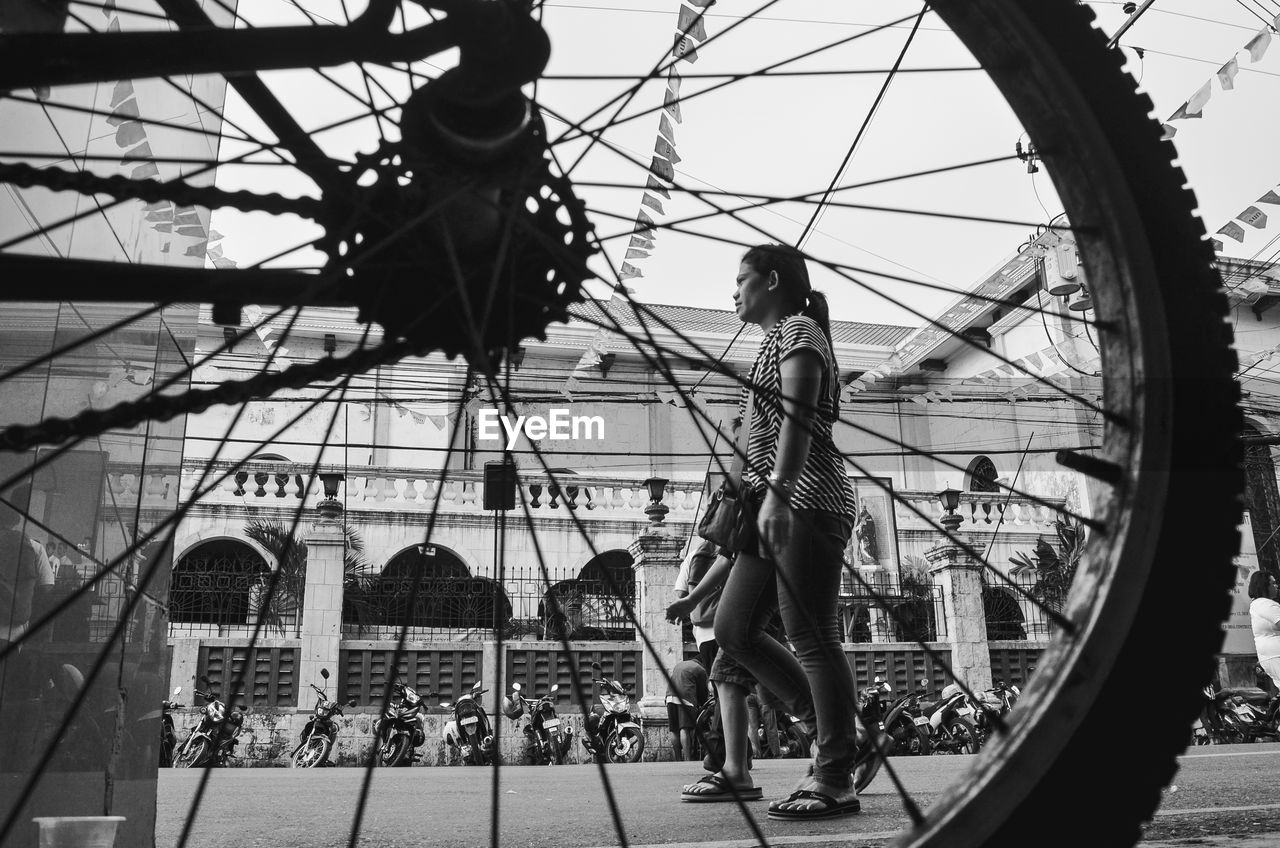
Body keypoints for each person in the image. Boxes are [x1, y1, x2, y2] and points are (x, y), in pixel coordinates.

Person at [715, 243, 868, 820]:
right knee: (734, 630)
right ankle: (839, 734)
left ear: (772, 280)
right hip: (769, 506)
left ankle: (835, 773)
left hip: (805, 500)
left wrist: (778, 490)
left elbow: (801, 418)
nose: (733, 291)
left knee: (812, 635)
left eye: (741, 279)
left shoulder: (800, 331)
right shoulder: (769, 345)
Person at [665, 656, 709, 761]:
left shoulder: (679, 665)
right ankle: (688, 759)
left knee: (674, 730)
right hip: (685, 699)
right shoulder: (700, 669)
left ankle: (678, 758)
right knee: (684, 729)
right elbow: (703, 691)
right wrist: (703, 704)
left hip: (670, 697)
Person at [1249, 570, 1280, 690]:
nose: (1276, 586)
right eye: (1273, 583)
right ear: (1264, 586)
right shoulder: (1264, 604)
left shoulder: (1261, 604)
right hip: (1275, 654)